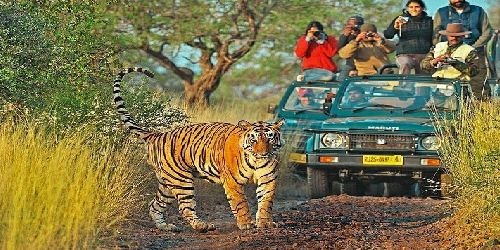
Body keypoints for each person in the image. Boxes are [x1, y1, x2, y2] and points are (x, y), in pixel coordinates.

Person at [433, 0, 493, 100]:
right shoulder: (441, 12)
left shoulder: (478, 10)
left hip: (476, 52)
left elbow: (487, 32)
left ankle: (481, 111)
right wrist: (441, 50)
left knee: (480, 86)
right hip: (449, 53)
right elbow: (435, 35)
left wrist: (470, 49)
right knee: (446, 87)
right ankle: (445, 109)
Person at [384, 0, 433, 74]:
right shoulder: (400, 19)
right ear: (407, 8)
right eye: (411, 7)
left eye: (417, 7)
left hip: (424, 55)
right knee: (405, 64)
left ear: (422, 8)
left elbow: (434, 37)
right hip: (404, 54)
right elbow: (388, 35)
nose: (414, 9)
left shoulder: (429, 21)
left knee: (423, 79)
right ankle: (403, 85)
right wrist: (396, 27)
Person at [337, 16, 364, 81]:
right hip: (351, 63)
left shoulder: (364, 34)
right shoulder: (347, 35)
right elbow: (340, 50)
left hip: (364, 63)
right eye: (348, 24)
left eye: (353, 24)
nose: (350, 27)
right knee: (340, 80)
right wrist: (345, 36)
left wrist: (357, 35)